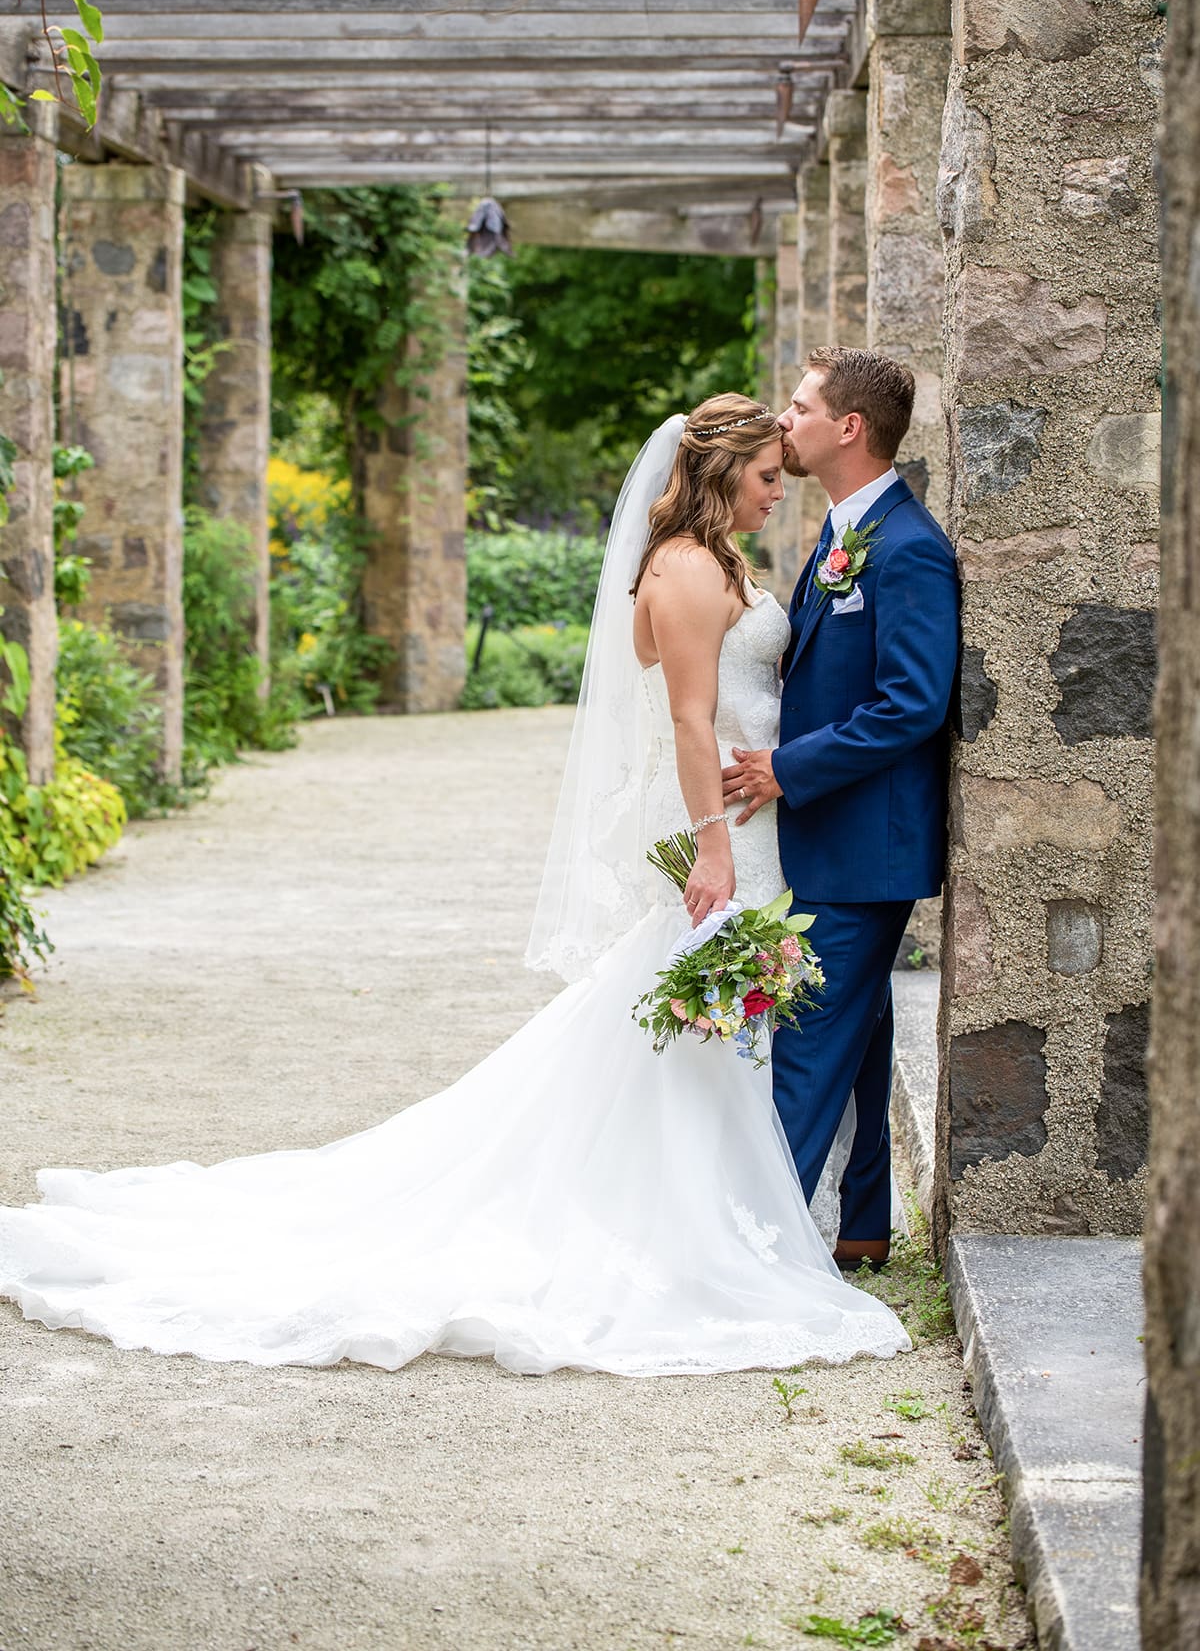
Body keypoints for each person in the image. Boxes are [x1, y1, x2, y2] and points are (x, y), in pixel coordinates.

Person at [0, 394, 909, 1377]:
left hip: (755, 813)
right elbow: (691, 723)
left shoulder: (724, 558)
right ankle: (685, 1228)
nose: (780, 493)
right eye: (768, 476)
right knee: (686, 1024)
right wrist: (713, 850)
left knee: (711, 1030)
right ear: (721, 471)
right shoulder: (686, 570)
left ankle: (734, 1214)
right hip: (719, 826)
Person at [721, 349, 959, 1274]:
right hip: (835, 837)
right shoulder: (844, 532)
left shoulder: (907, 548)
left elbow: (912, 702)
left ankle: (753, 1252)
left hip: (866, 844)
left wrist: (787, 768)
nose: (786, 419)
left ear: (848, 427)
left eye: (800, 405)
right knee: (861, 1035)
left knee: (809, 1044)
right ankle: (861, 1223)